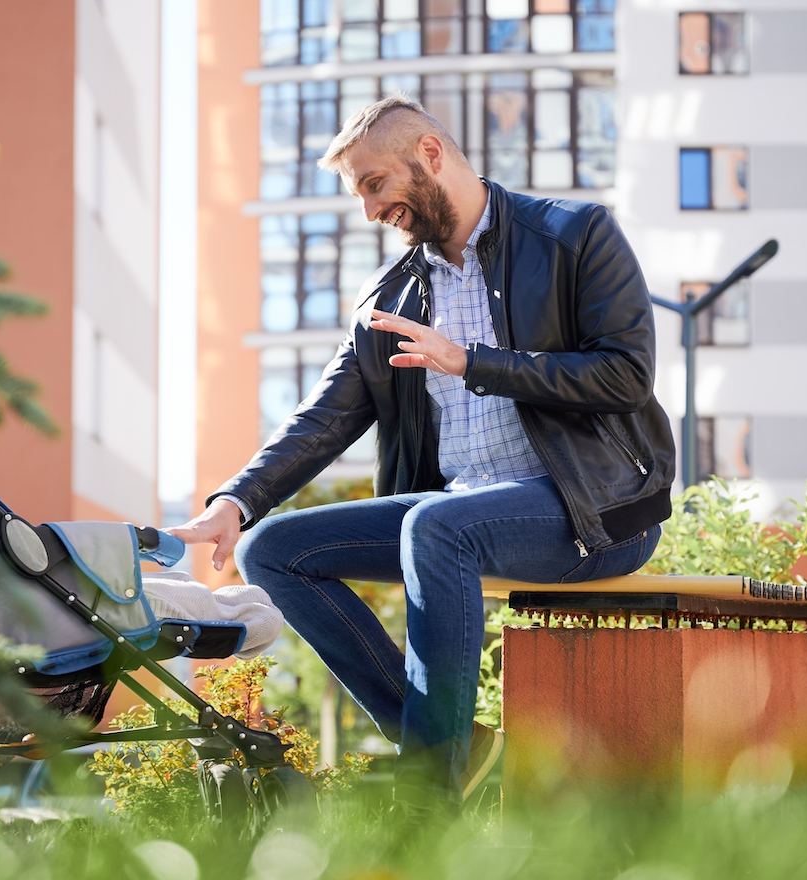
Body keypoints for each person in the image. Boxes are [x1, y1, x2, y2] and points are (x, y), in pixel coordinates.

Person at [170, 95, 675, 819]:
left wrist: (474, 362)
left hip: (594, 510)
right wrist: (236, 500)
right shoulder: (391, 295)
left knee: (438, 528)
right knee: (274, 551)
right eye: (361, 194)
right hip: (461, 514)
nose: (371, 210)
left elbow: (625, 375)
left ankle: (428, 803)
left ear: (431, 154)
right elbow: (326, 417)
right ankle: (450, 745)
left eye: (376, 184)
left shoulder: (574, 234)